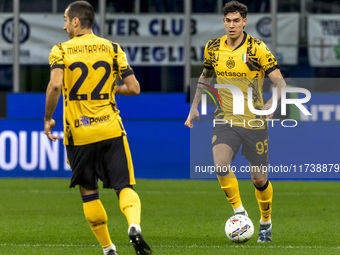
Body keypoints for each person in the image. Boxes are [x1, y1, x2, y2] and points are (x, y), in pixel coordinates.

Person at [43, 1, 152, 254]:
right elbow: (134, 88)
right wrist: (112, 88)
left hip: (79, 134)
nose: (64, 25)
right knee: (124, 187)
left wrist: (48, 118)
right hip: (111, 129)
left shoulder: (61, 50)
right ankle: (133, 225)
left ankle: (108, 248)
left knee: (89, 192)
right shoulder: (112, 48)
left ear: (76, 22)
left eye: (66, 20)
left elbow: (56, 86)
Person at [185, 1, 286, 242]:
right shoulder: (213, 47)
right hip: (225, 119)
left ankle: (265, 222)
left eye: (236, 21)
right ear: (224, 22)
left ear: (244, 22)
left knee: (259, 180)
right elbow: (205, 77)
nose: (231, 25)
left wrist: (273, 104)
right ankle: (240, 213)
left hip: (254, 121)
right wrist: (194, 107)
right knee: (220, 165)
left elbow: (280, 83)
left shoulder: (257, 49)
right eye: (228, 20)